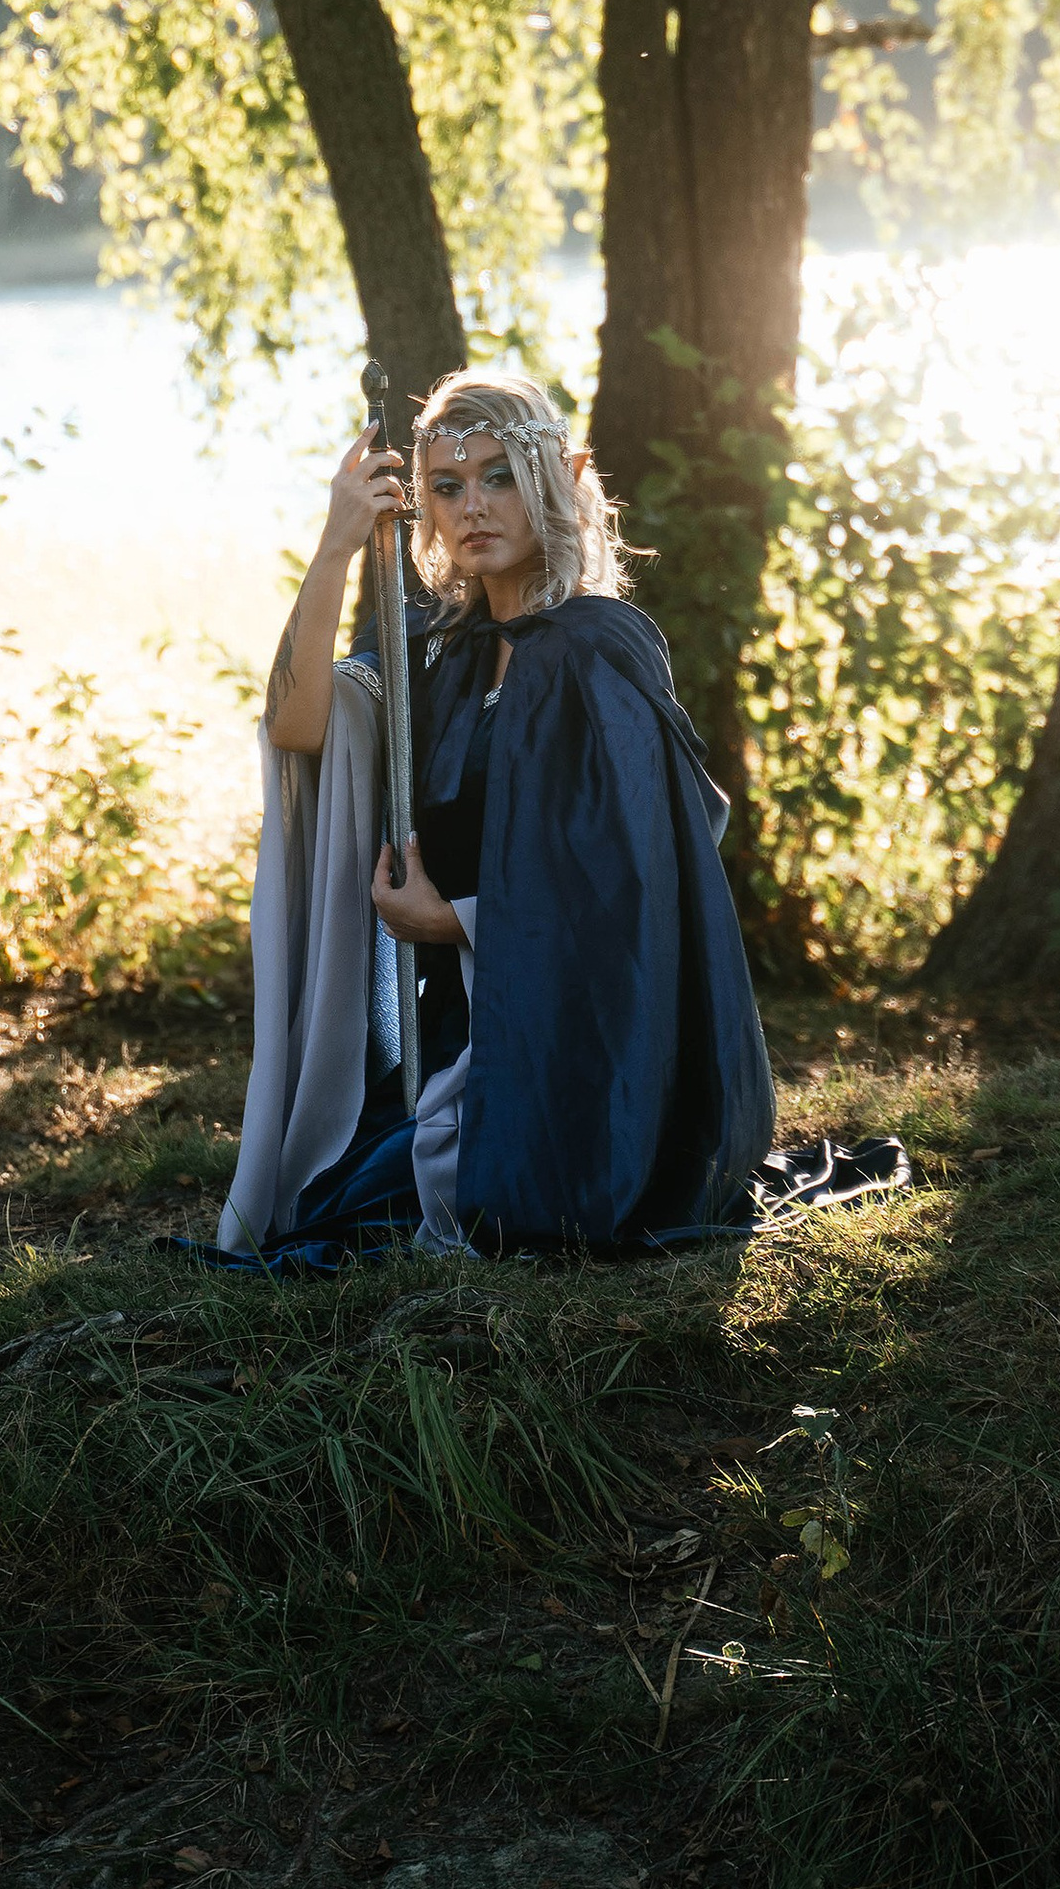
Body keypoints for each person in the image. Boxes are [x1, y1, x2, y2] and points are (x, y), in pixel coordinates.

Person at [217, 366, 777, 1262]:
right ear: (423, 508)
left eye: (499, 478)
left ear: (557, 478)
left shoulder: (599, 648)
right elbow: (297, 721)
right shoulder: (435, 654)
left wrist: (453, 921)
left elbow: (631, 885)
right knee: (333, 1203)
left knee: (420, 1209)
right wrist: (337, 545)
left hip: (593, 1033)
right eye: (447, 487)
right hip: (468, 1028)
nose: (473, 507)